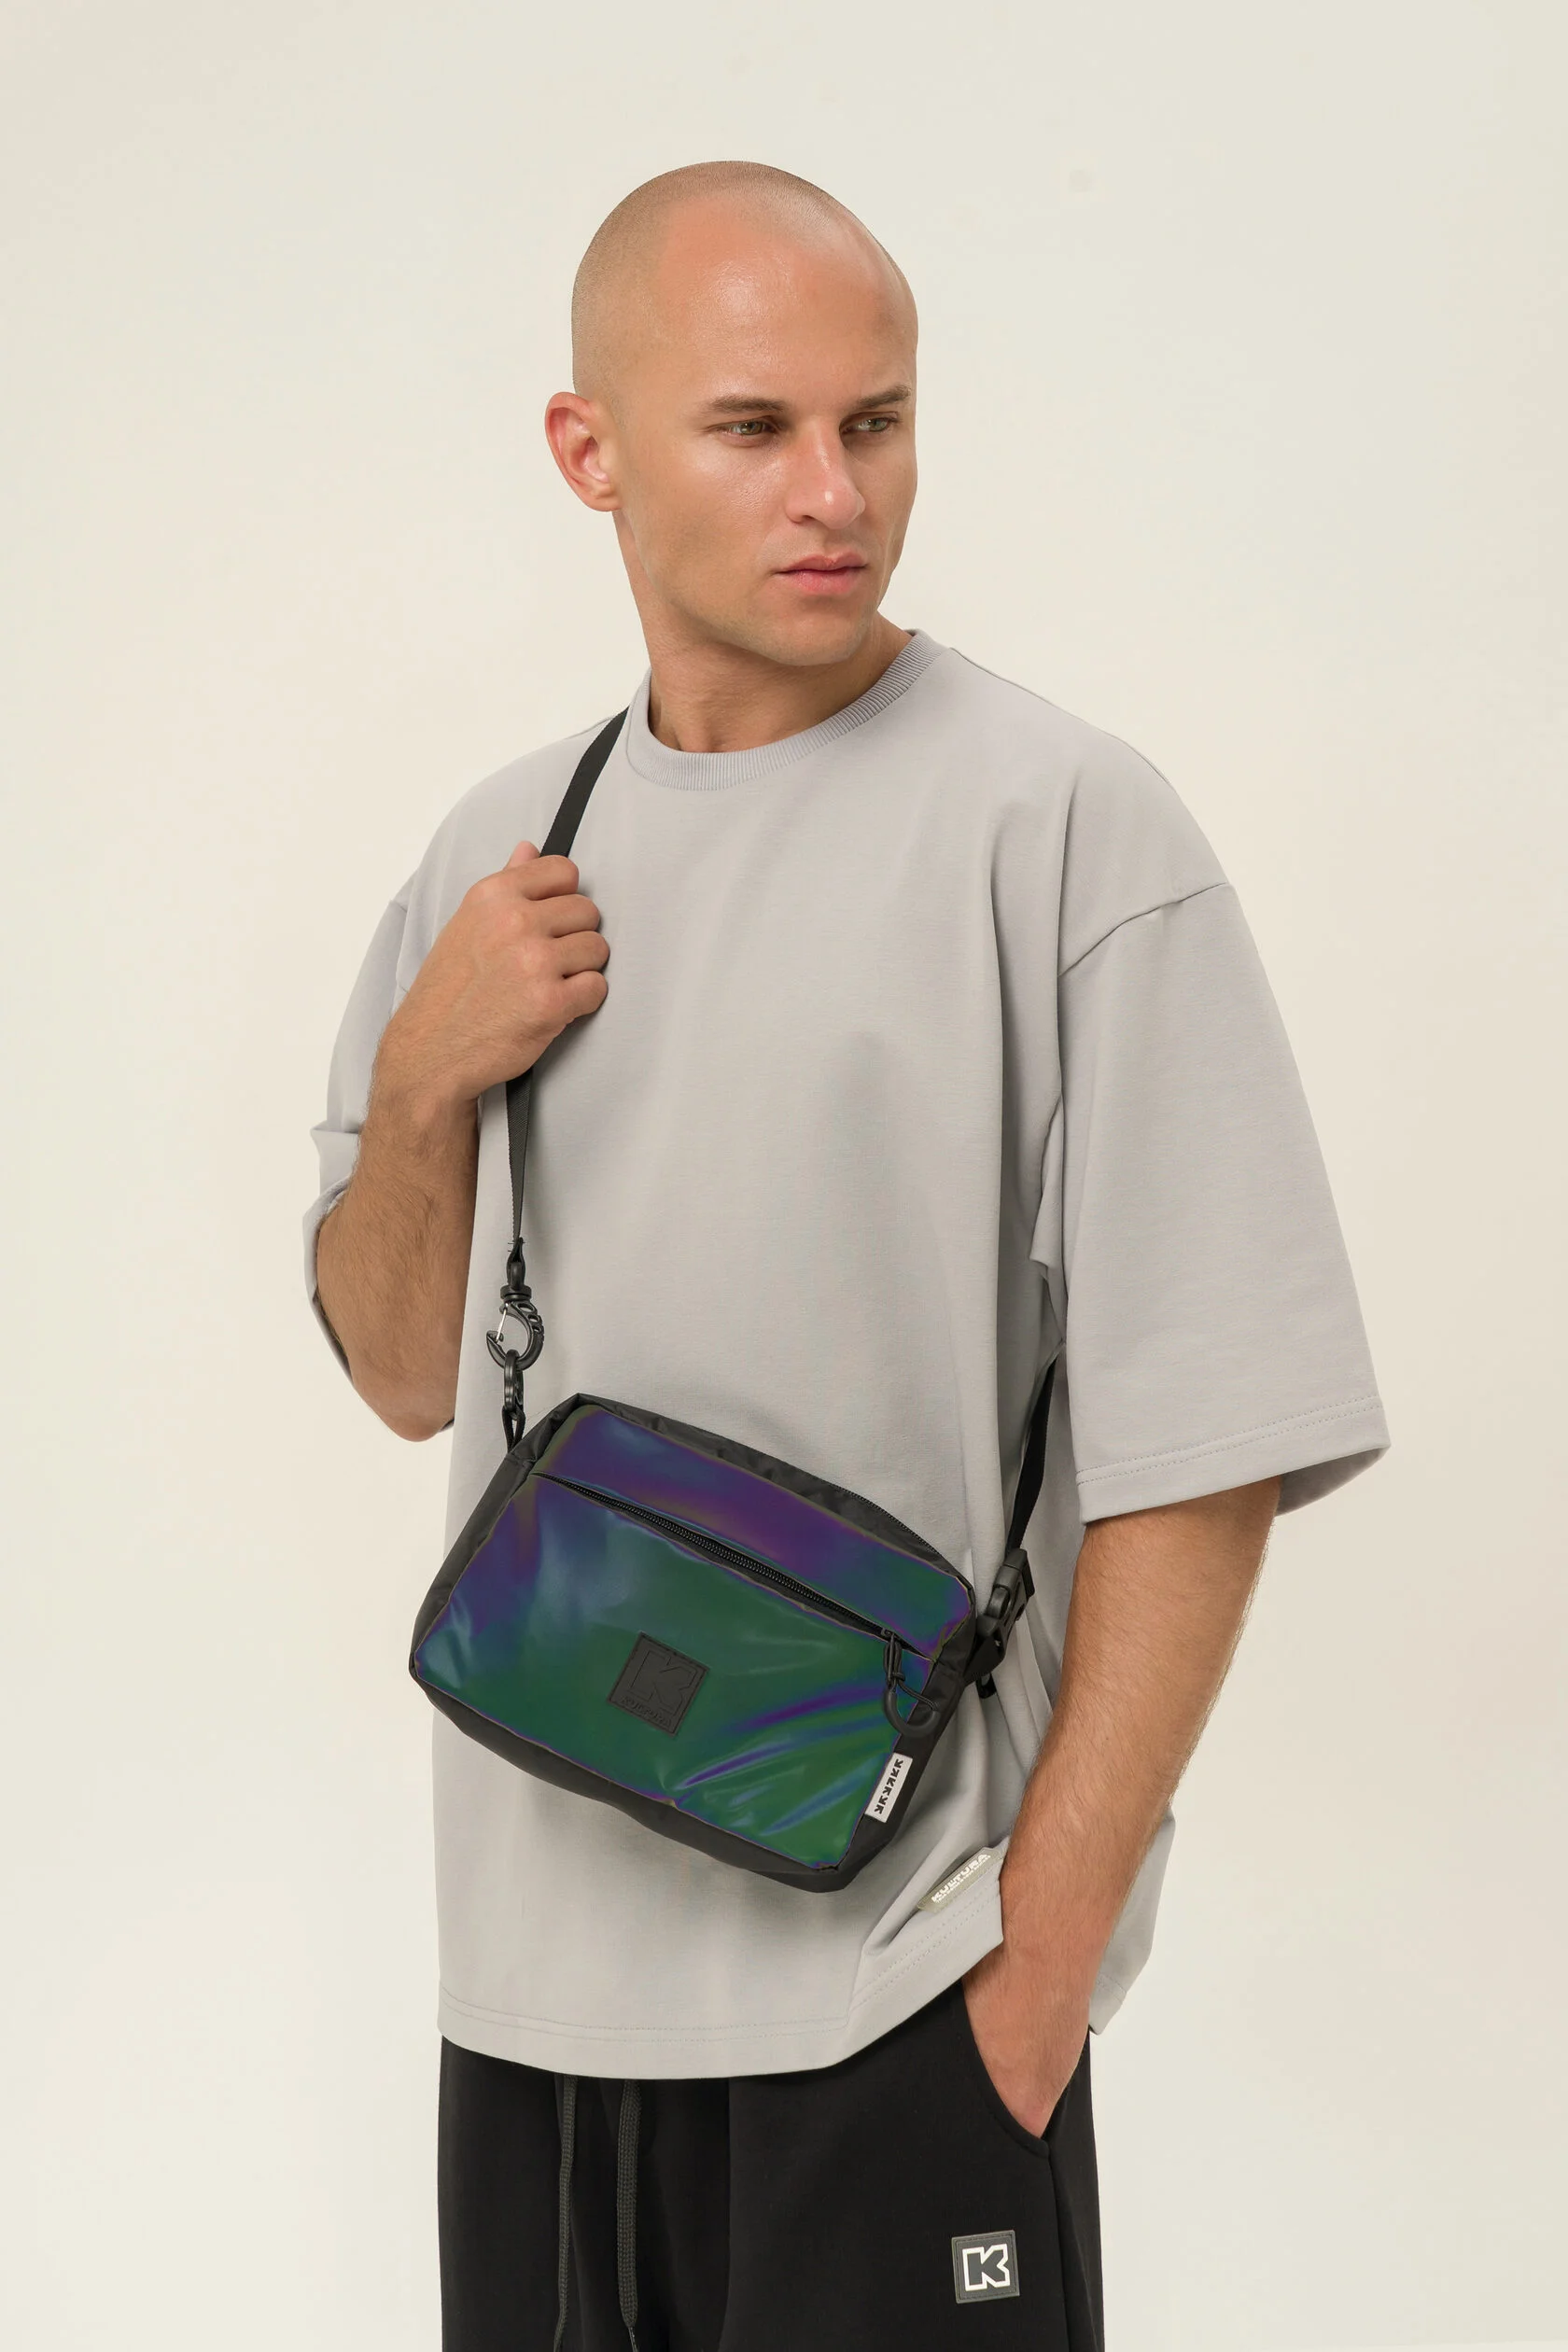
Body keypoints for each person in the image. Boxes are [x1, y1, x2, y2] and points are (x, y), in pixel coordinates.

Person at [305, 161, 1388, 2352]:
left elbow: (1213, 1437)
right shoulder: (500, 853)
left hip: (900, 1995)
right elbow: (404, 1368)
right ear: (590, 451)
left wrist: (1038, 1971)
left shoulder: (1062, 826)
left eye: (876, 422)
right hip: (527, 2006)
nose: (839, 491)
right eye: (756, 428)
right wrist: (424, 1083)